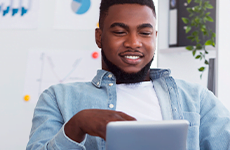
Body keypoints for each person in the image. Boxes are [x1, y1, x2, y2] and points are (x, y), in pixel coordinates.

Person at [26, 0, 230, 149]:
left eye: (145, 33)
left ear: (155, 37)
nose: (134, 43)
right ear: (99, 37)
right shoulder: (57, 98)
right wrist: (77, 125)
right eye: (120, 32)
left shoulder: (196, 98)